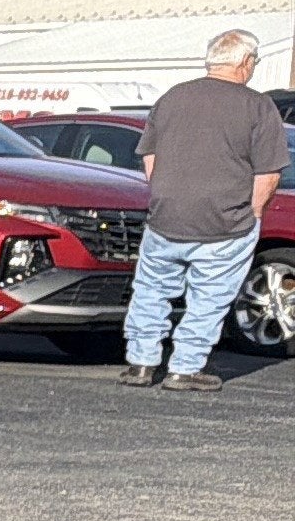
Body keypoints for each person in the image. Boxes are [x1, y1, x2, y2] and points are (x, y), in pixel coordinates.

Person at [123, 31, 287, 394]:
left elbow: (150, 158)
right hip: (226, 221)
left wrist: (166, 194)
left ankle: (141, 362)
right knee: (208, 298)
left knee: (151, 290)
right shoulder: (257, 106)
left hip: (167, 216)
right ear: (245, 63)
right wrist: (254, 214)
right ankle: (184, 368)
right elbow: (268, 173)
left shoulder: (173, 97)